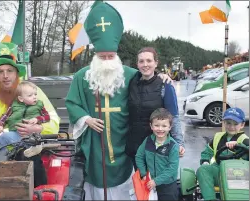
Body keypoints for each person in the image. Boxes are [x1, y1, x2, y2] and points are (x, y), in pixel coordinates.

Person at [65, 1, 172, 200]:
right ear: (95, 55)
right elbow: (72, 103)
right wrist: (86, 119)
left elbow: (149, 81)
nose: (106, 61)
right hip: (96, 143)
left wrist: (162, 77)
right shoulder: (82, 76)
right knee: (95, 182)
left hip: (124, 140)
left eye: (110, 56)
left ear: (117, 55)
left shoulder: (131, 74)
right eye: (102, 56)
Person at [0, 42, 60, 187]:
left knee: (36, 178)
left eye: (10, 70)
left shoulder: (34, 92)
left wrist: (37, 129)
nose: (5, 76)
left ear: (17, 72)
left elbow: (54, 122)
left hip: (28, 151)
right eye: (0, 71)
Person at [126, 47, 185, 170]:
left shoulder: (165, 85)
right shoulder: (131, 83)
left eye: (149, 60)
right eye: (141, 61)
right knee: (142, 184)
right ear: (137, 64)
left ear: (156, 63)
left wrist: (179, 143)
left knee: (159, 184)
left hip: (158, 146)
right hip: (136, 145)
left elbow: (173, 116)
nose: (145, 64)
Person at [196, 107, 249, 200]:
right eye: (228, 123)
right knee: (203, 169)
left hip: (240, 174)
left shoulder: (244, 139)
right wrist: (205, 161)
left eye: (235, 124)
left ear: (242, 125)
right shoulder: (217, 136)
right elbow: (207, 152)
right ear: (223, 122)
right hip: (219, 170)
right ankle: (210, 199)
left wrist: (238, 144)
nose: (231, 127)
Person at [135, 108, 179, 200]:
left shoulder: (173, 146)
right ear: (151, 126)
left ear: (170, 127)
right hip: (150, 183)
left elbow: (172, 168)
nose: (160, 129)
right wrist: (143, 173)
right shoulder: (148, 141)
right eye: (156, 125)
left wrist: (156, 181)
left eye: (164, 126)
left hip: (168, 186)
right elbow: (139, 156)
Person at [0, 81, 50, 152]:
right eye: (30, 95)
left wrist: (37, 119)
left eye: (35, 94)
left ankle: (34, 149)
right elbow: (5, 116)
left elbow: (47, 117)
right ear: (21, 99)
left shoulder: (39, 105)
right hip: (16, 134)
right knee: (4, 137)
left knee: (34, 142)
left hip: (33, 136)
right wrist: (0, 125)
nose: (34, 97)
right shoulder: (14, 106)